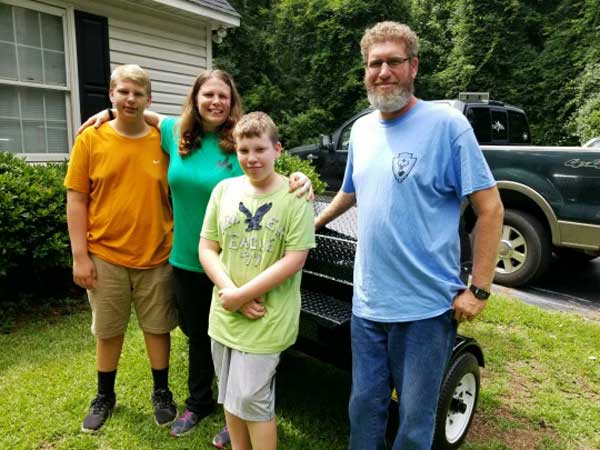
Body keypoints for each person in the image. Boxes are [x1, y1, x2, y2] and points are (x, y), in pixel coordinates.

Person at [79, 69, 312, 443]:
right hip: (187, 257)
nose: (215, 102)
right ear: (196, 99)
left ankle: (234, 411)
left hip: (236, 265)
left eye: (223, 96)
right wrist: (108, 112)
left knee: (242, 336)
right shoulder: (175, 132)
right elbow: (138, 112)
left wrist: (301, 178)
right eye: (208, 95)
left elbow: (268, 172)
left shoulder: (237, 142)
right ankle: (200, 402)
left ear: (232, 102)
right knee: (200, 335)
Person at [314, 22, 504, 450]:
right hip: (368, 305)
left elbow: (490, 209)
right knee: (364, 409)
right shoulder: (363, 130)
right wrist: (313, 223)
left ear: (413, 66)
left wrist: (480, 288)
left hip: (425, 309)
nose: (383, 72)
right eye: (373, 63)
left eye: (393, 62)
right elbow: (351, 191)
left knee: (415, 424)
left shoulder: (447, 125)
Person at [65, 64, 178, 433]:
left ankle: (161, 392)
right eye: (123, 92)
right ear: (111, 94)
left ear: (149, 99)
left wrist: (140, 116)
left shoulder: (163, 140)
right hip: (105, 255)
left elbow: (189, 129)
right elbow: (77, 199)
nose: (130, 99)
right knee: (108, 331)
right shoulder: (91, 139)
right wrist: (80, 255)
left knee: (158, 328)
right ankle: (104, 396)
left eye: (138, 93)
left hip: (157, 254)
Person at [199, 111, 315, 450]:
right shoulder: (224, 190)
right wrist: (230, 292)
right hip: (225, 312)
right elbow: (207, 248)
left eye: (260, 149)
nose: (252, 158)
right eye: (244, 150)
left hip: (268, 316)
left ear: (277, 150)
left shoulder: (294, 198)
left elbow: (295, 259)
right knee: (229, 393)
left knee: (252, 396)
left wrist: (242, 295)